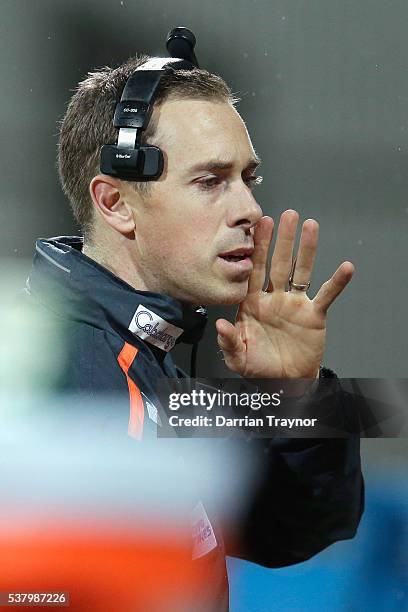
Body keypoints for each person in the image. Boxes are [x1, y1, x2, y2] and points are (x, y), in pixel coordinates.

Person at [25, 54, 363, 610]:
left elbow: (295, 531)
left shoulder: (149, 363)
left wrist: (295, 393)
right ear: (116, 204)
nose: (250, 210)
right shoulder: (61, 380)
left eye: (247, 179)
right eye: (210, 181)